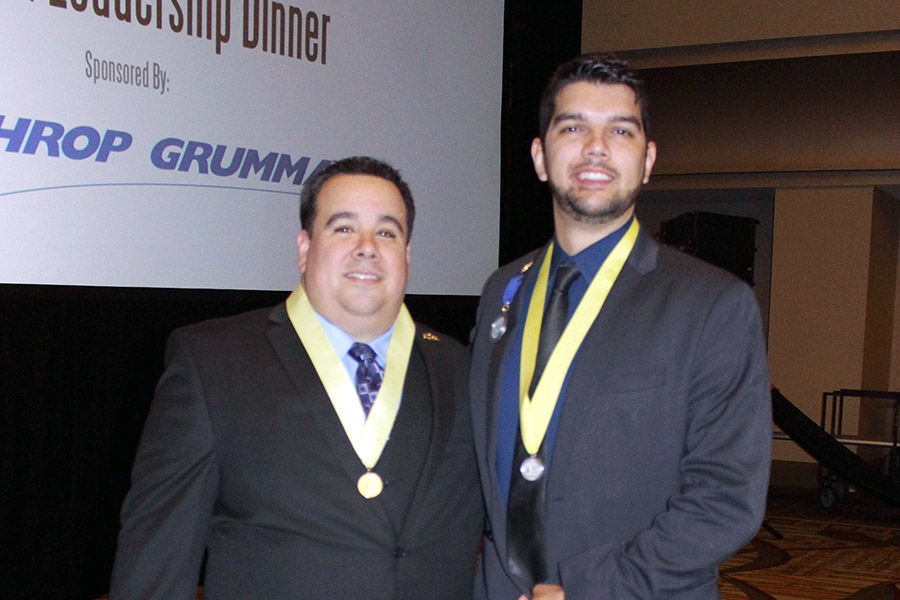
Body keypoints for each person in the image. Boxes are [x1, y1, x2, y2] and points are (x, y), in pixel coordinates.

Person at [110, 156, 483, 600]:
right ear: (304, 248)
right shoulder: (213, 362)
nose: (367, 246)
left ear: (406, 255)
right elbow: (157, 560)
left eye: (387, 231)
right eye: (343, 227)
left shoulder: (461, 368)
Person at [469, 54, 771, 600]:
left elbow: (727, 499)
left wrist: (588, 589)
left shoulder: (711, 305)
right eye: (573, 126)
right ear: (540, 156)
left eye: (621, 130)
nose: (595, 147)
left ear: (648, 159)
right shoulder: (502, 290)